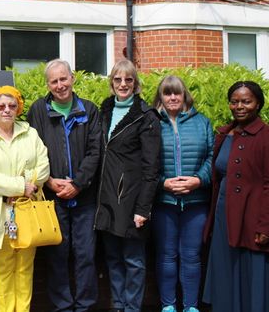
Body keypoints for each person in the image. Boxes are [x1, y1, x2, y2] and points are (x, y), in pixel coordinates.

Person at [27, 59, 101, 312]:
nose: (60, 85)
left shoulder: (89, 110)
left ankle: (85, 307)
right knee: (57, 257)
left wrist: (78, 183)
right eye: (54, 81)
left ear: (73, 78)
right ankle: (62, 307)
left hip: (85, 197)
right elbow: (31, 151)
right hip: (51, 198)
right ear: (47, 84)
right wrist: (47, 180)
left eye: (64, 79)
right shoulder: (37, 110)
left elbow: (95, 152)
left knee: (86, 256)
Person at [0, 85, 50, 312]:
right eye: (1, 106)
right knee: (1, 269)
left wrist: (25, 187)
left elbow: (43, 167)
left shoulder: (31, 134)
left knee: (25, 268)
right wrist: (21, 185)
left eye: (12, 106)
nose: (7, 110)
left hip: (26, 211)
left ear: (18, 109)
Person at [94, 59, 161, 312]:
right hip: (107, 199)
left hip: (131, 200)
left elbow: (151, 167)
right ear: (112, 83)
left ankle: (132, 307)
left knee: (133, 260)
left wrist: (143, 208)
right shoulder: (105, 110)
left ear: (136, 84)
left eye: (128, 80)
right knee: (112, 258)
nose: (123, 84)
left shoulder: (146, 116)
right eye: (118, 80)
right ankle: (119, 305)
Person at [202, 81, 269, 312]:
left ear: (258, 104)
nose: (239, 106)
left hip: (252, 218)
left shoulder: (265, 136)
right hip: (223, 215)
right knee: (225, 271)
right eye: (234, 101)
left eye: (246, 101)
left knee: (252, 274)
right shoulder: (225, 133)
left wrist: (265, 225)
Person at [151, 75, 213, 312]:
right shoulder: (152, 122)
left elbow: (211, 156)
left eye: (177, 92)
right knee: (166, 256)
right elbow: (145, 162)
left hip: (195, 202)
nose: (173, 97)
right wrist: (162, 183)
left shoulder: (202, 122)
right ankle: (168, 306)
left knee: (192, 256)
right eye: (167, 93)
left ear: (184, 94)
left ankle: (191, 306)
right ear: (161, 97)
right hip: (164, 201)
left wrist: (198, 180)